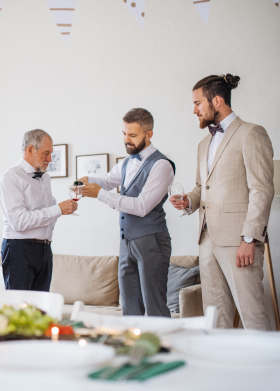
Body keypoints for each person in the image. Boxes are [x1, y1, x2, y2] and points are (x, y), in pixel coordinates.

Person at [170, 74, 274, 330]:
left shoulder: (251, 133)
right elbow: (200, 187)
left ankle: (267, 370)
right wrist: (189, 201)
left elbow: (261, 190)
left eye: (198, 103)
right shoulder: (203, 144)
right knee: (215, 320)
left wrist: (249, 239)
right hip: (207, 242)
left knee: (252, 316)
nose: (194, 110)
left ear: (217, 101)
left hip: (239, 242)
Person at [80, 109, 175, 317]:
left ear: (149, 134)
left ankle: (162, 347)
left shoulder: (162, 165)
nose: (126, 140)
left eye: (132, 135)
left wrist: (100, 195)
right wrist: (88, 181)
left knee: (155, 307)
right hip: (126, 242)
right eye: (124, 134)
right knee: (130, 307)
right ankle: (133, 348)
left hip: (152, 241)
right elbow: (106, 181)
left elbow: (142, 206)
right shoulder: (125, 163)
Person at [0, 129, 77, 291]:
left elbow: (48, 214)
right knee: (18, 308)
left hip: (45, 250)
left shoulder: (45, 177)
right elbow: (19, 222)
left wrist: (61, 210)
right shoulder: (10, 177)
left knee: (41, 308)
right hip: (19, 249)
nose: (50, 159)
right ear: (30, 149)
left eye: (51, 154)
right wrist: (58, 209)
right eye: (46, 153)